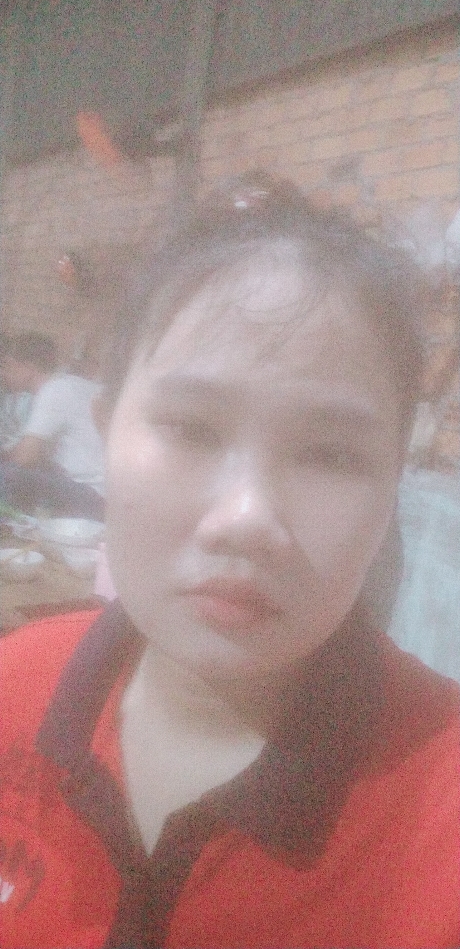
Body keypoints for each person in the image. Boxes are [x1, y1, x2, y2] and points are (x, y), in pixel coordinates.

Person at [1, 174, 458, 949]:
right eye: (190, 428)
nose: (247, 520)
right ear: (107, 434)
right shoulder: (14, 682)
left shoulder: (440, 812)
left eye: (331, 453)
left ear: (392, 486)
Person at [0, 330, 105, 520]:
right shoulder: (70, 384)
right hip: (101, 489)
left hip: (92, 494)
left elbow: (24, 458)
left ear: (28, 368)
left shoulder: (54, 390)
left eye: (7, 366)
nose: (3, 373)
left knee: (7, 474)